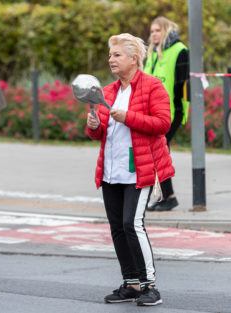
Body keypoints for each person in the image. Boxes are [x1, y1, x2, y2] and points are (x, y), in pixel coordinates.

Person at [86, 33, 174, 306]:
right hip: (111, 171)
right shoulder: (109, 92)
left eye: (117, 55)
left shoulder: (152, 86)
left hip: (140, 170)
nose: (111, 60)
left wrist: (129, 117)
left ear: (133, 59)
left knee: (132, 224)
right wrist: (93, 126)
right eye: (110, 55)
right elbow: (99, 134)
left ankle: (150, 285)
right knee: (117, 228)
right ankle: (131, 283)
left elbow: (163, 124)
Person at [144, 16, 190, 212]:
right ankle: (166, 196)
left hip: (172, 111)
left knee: (158, 152)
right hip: (152, 113)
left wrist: (181, 113)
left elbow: (183, 86)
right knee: (157, 153)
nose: (154, 34)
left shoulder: (180, 51)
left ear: (166, 31)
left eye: (157, 30)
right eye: (152, 31)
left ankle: (168, 196)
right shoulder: (153, 52)